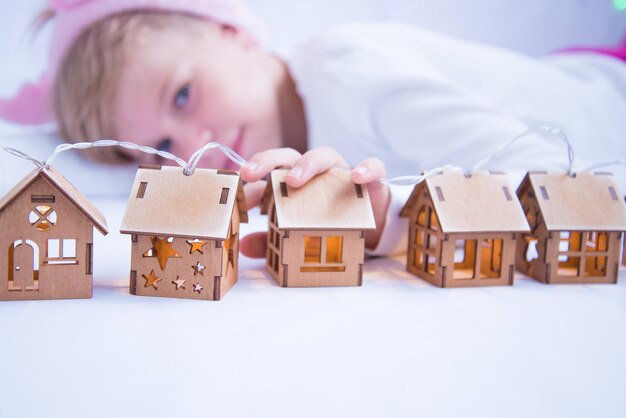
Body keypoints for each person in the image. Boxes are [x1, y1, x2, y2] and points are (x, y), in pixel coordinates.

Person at [1, 0, 625, 259]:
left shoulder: (348, 67)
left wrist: (392, 216)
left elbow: (537, 185)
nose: (193, 147)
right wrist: (379, 225)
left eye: (183, 95)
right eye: (161, 148)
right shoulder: (284, 175)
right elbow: (430, 221)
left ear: (233, 32)